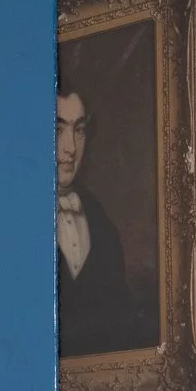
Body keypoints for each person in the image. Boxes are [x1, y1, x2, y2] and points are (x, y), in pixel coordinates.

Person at [55, 84, 147, 358]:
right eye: (57, 130)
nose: (70, 147)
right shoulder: (9, 223)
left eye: (79, 130)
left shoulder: (104, 228)